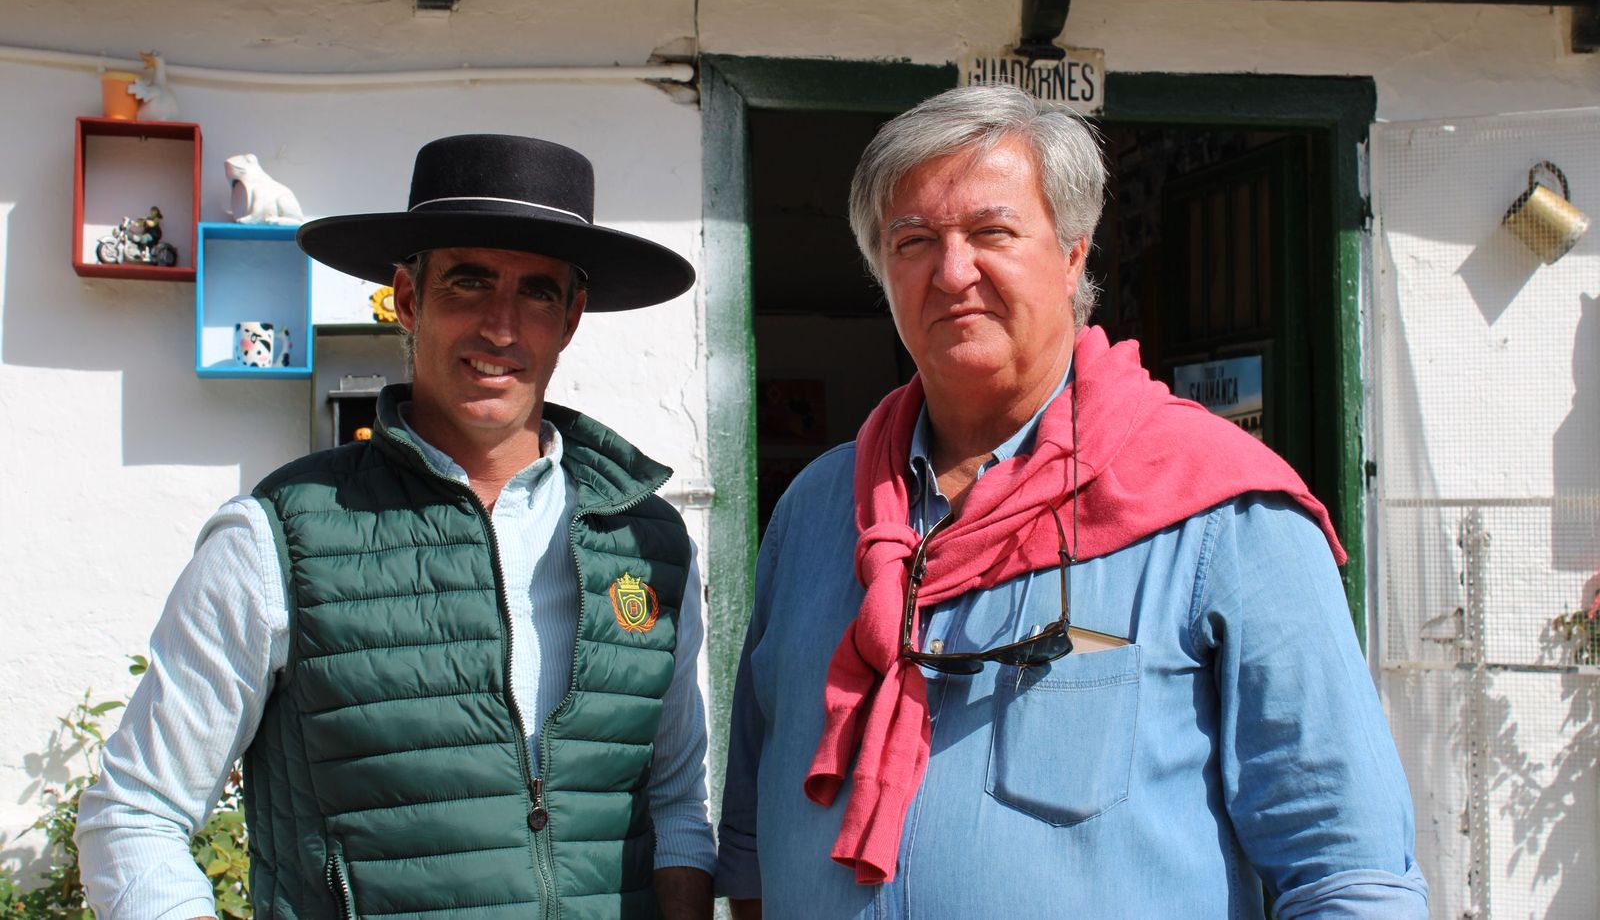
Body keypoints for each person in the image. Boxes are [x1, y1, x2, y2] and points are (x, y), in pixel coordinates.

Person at [713, 85, 1427, 919]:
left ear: (1074, 252)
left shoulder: (1221, 511)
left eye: (992, 232)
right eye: (913, 241)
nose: (953, 272)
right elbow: (757, 842)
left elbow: (1347, 871)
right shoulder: (817, 511)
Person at [78, 135, 715, 920]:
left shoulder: (648, 544)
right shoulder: (277, 537)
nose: (501, 328)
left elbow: (677, 806)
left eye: (539, 293)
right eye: (468, 283)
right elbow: (135, 813)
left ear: (572, 318)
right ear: (409, 300)